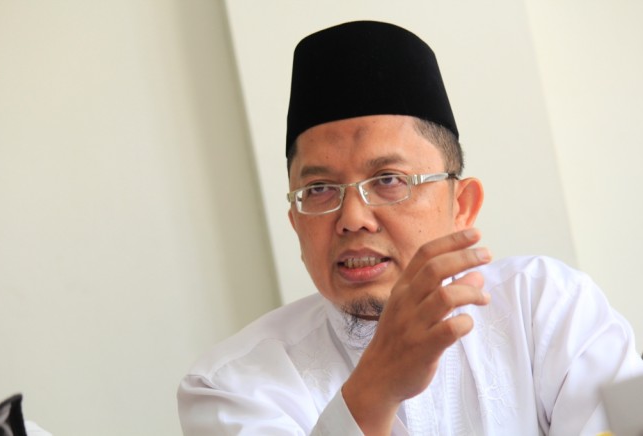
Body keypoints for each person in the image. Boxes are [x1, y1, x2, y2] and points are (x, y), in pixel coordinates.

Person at [177, 20, 643, 435]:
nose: (353, 218)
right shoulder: (232, 385)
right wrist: (375, 389)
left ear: (462, 205)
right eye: (319, 189)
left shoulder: (547, 307)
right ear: (296, 223)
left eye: (388, 180)